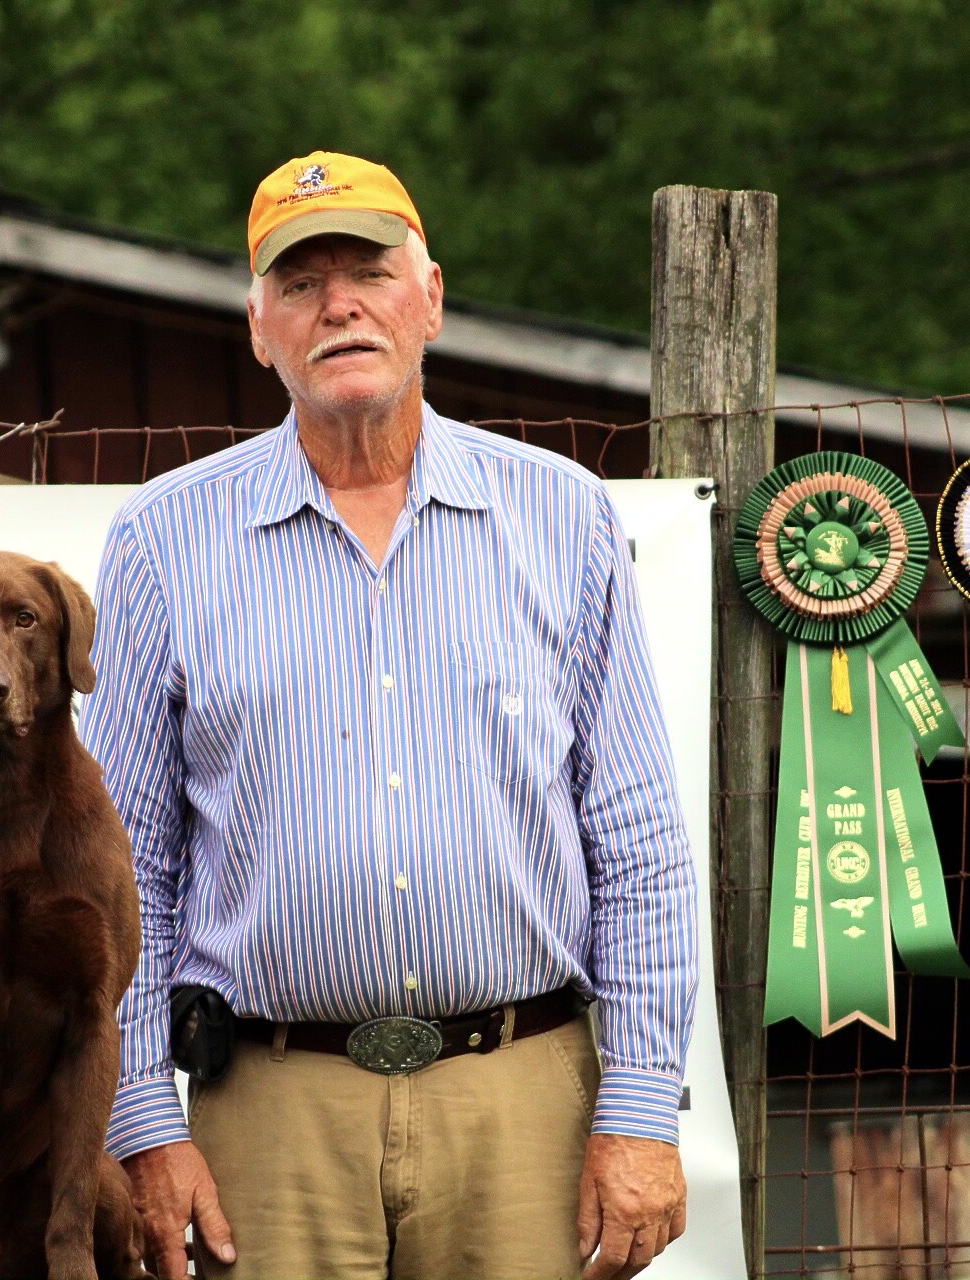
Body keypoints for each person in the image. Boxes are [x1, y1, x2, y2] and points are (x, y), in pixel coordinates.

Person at [81, 150, 698, 1280]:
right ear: (260, 327)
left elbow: (641, 841)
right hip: (266, 1107)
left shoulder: (561, 515)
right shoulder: (162, 542)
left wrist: (645, 1103)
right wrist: (141, 1122)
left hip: (524, 1098)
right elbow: (120, 869)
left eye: (367, 271)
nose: (340, 305)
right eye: (301, 284)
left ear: (432, 299)